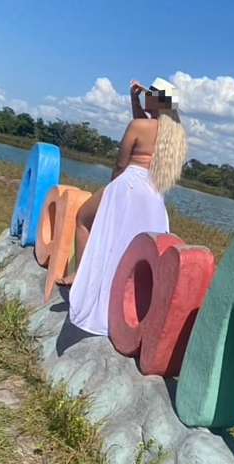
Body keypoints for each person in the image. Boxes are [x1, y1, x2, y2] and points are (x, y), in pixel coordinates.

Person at [64, 77, 187, 336]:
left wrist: (111, 190)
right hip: (153, 194)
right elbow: (146, 125)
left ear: (156, 100)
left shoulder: (139, 125)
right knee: (130, 247)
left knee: (83, 219)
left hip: (128, 184)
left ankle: (78, 274)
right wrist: (135, 100)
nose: (146, 95)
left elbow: (121, 163)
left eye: (150, 93)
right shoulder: (175, 135)